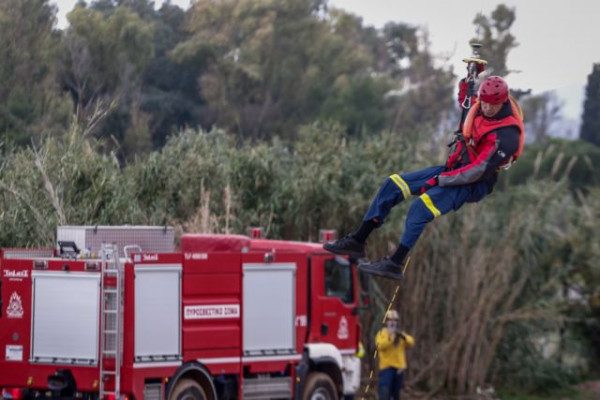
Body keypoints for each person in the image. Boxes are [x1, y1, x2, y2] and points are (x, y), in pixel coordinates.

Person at [323, 75, 525, 279]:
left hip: (473, 183)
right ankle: (357, 240)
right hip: (453, 168)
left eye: (494, 105)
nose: (488, 108)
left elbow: (477, 171)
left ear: (503, 101)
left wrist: (441, 180)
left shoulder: (507, 136)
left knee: (420, 207)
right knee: (393, 184)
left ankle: (394, 263)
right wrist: (466, 85)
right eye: (485, 103)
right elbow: (467, 104)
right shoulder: (480, 105)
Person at [376, 310, 415, 400]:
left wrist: (402, 336)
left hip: (399, 369)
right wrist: (391, 338)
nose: (392, 322)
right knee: (384, 392)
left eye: (395, 320)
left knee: (396, 394)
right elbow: (380, 345)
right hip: (386, 368)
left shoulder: (400, 334)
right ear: (386, 321)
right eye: (390, 320)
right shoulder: (382, 333)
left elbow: (411, 342)